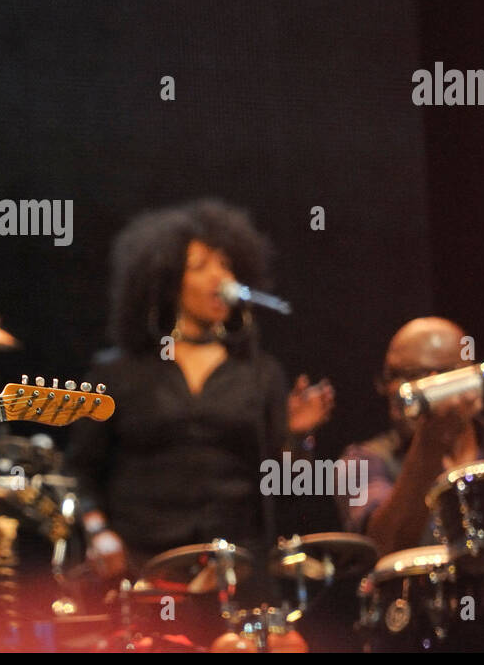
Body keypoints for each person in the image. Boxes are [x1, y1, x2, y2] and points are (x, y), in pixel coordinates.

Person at [64, 200, 333, 584]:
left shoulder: (259, 372)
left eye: (225, 265)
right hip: (142, 566)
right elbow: (81, 469)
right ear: (167, 280)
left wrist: (297, 436)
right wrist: (97, 531)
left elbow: (282, 484)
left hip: (234, 568)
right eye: (200, 266)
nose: (219, 278)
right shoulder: (120, 370)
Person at [339, 317, 484, 556]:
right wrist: (430, 443)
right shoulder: (360, 462)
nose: (394, 390)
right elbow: (381, 549)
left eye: (412, 375)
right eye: (391, 376)